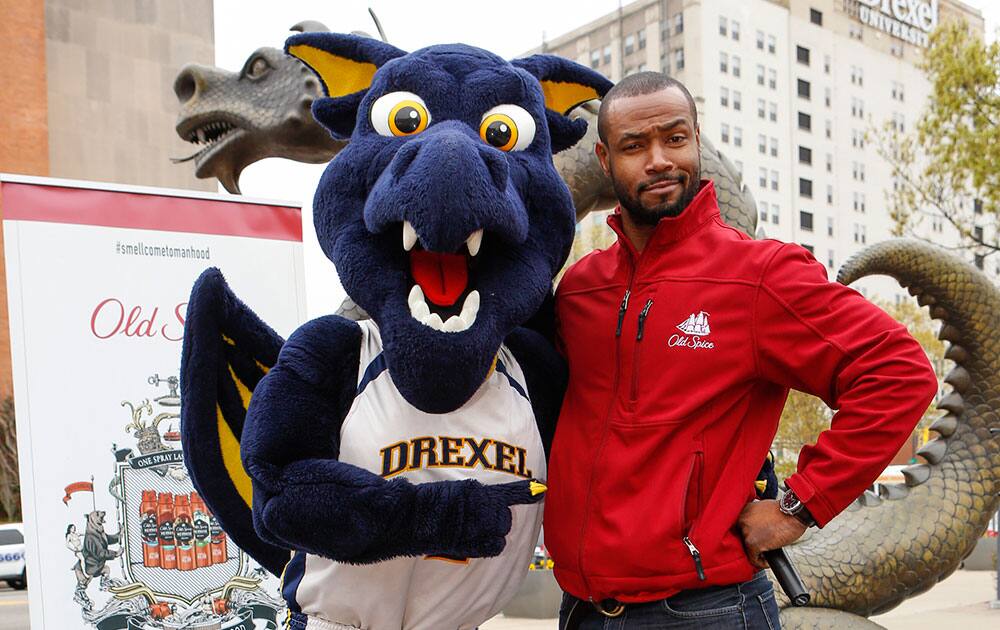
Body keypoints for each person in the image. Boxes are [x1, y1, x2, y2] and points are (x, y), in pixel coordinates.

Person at [544, 72, 938, 629]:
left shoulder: (760, 275)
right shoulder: (581, 289)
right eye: (635, 146)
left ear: (697, 141)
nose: (659, 159)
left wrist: (799, 506)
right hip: (582, 609)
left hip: (706, 610)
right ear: (605, 161)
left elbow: (898, 372)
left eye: (674, 138)